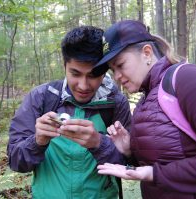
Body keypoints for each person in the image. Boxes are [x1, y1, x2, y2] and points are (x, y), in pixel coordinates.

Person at [96, 20, 196, 199]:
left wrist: (155, 174)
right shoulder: (145, 102)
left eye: (120, 65)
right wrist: (130, 151)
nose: (116, 76)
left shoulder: (188, 79)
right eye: (112, 70)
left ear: (146, 53)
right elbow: (161, 161)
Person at [7, 26, 131, 199]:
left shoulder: (115, 103)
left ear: (104, 71)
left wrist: (99, 144)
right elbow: (15, 161)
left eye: (93, 75)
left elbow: (129, 165)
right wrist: (37, 142)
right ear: (64, 65)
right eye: (75, 73)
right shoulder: (42, 97)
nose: (83, 85)